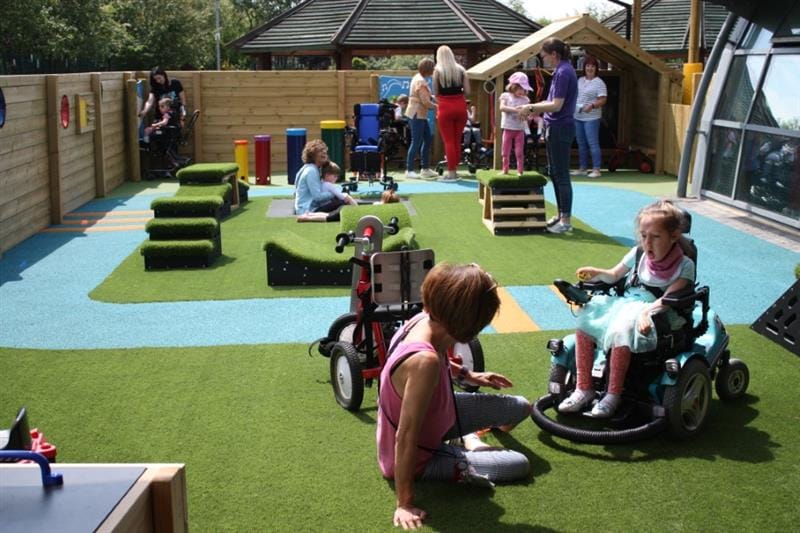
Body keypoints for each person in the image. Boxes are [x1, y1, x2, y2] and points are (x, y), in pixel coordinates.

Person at [377, 262, 531, 530]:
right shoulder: (424, 362)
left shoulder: (425, 319)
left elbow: (442, 350)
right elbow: (406, 435)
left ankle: (465, 439)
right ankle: (467, 444)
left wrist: (470, 376)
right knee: (517, 464)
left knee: (522, 407)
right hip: (422, 457)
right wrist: (404, 502)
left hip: (442, 413)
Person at [558, 200, 696, 417]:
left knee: (622, 328)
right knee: (586, 320)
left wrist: (645, 313)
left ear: (674, 236)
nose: (647, 242)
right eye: (643, 235)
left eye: (655, 236)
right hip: (626, 304)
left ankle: (613, 394)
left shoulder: (685, 264)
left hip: (660, 312)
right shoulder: (639, 253)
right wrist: (596, 272)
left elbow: (670, 298)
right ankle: (583, 388)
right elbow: (614, 275)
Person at [522, 38, 578, 235]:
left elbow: (556, 105)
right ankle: (561, 214)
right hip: (556, 126)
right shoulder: (561, 70)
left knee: (561, 174)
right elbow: (551, 101)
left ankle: (566, 220)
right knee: (554, 173)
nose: (543, 59)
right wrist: (534, 108)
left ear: (554, 54)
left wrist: (531, 107)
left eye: (544, 56)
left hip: (561, 127)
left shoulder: (563, 72)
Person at [433, 45, 470, 182]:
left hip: (445, 107)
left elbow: (436, 92)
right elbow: (468, 91)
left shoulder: (438, 71)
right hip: (460, 106)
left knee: (448, 141)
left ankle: (451, 172)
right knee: (456, 140)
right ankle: (455, 169)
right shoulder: (461, 70)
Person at [573, 56, 608, 179]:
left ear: (596, 68)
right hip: (577, 116)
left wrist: (592, 105)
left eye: (592, 66)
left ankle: (597, 169)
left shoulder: (599, 82)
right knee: (581, 143)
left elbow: (603, 99)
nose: (590, 68)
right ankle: (583, 168)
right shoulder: (580, 80)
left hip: (592, 118)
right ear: (584, 67)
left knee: (593, 143)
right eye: (588, 66)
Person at [405, 59, 438, 180]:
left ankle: (425, 168)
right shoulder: (421, 81)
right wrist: (438, 107)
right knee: (416, 141)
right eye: (433, 68)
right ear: (429, 69)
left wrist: (434, 99)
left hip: (420, 115)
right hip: (416, 114)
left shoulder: (418, 78)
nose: (434, 70)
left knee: (428, 139)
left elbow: (426, 97)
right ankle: (409, 170)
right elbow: (425, 101)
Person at [499, 72, 531, 176]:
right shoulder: (506, 96)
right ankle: (505, 170)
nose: (522, 91)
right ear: (513, 87)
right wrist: (516, 110)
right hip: (508, 128)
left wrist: (526, 116)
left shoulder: (525, 100)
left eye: (524, 89)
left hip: (519, 130)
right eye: (520, 89)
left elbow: (527, 114)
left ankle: (520, 171)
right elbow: (502, 108)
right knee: (505, 151)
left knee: (519, 152)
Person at [294, 139, 334, 215]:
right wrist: (334, 193)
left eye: (325, 150)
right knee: (341, 204)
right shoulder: (311, 171)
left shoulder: (308, 168)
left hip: (304, 208)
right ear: (312, 155)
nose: (324, 152)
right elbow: (317, 197)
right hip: (308, 210)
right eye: (320, 151)